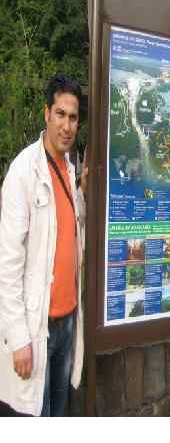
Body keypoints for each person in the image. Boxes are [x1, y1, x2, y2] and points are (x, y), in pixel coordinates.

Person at [0, 75, 88, 416]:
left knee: (59, 411)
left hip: (67, 321)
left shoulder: (68, 169)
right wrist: (19, 338)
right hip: (37, 324)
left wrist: (83, 191)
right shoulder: (23, 172)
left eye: (73, 117)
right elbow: (7, 263)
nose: (67, 125)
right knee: (35, 414)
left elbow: (70, 230)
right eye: (60, 114)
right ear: (46, 114)